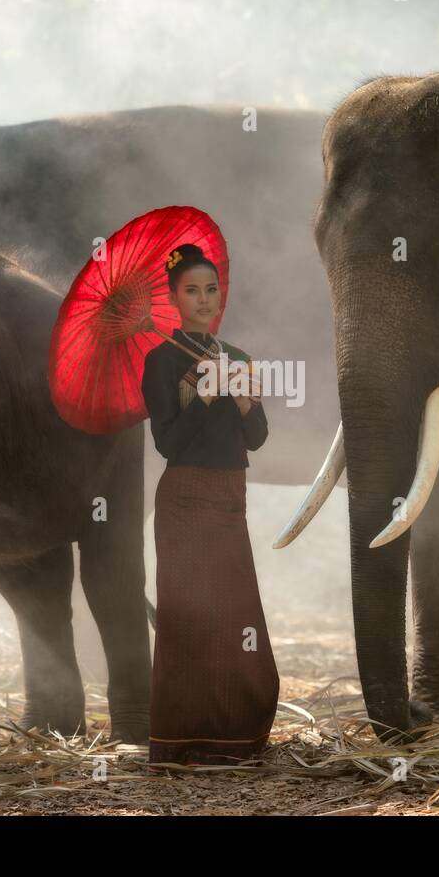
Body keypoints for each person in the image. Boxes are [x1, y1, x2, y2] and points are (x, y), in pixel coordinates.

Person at [141, 243, 278, 766]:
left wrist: (245, 403)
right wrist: (201, 396)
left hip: (230, 498)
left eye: (211, 290)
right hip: (185, 499)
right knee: (186, 617)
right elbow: (168, 444)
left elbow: (258, 438)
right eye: (192, 291)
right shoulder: (161, 360)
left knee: (236, 614)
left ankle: (239, 737)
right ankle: (183, 742)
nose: (204, 299)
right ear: (175, 298)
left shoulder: (235, 357)